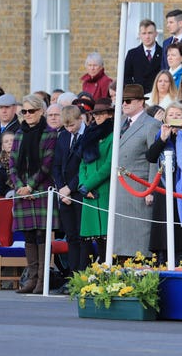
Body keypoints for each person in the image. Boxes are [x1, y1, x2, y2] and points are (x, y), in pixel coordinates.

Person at [10, 94, 58, 294]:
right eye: (24, 111)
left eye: (31, 111)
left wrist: (30, 187)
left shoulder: (50, 134)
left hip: (41, 190)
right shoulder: (19, 134)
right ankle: (31, 278)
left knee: (41, 235)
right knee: (28, 236)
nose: (27, 115)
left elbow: (47, 165)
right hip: (22, 192)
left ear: (41, 111)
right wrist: (20, 187)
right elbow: (12, 164)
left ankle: (42, 280)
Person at [114, 84, 162, 259]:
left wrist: (151, 188)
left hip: (139, 187)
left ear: (141, 102)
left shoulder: (151, 125)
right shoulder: (119, 123)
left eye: (128, 101)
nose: (124, 104)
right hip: (121, 187)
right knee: (120, 238)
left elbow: (154, 158)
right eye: (122, 101)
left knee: (138, 237)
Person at [146, 102, 182, 265]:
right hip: (164, 185)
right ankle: (163, 257)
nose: (174, 118)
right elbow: (151, 157)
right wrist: (162, 138)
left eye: (178, 115)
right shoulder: (161, 134)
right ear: (165, 118)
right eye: (171, 115)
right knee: (164, 224)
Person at [53, 105, 93, 278]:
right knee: (71, 236)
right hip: (64, 193)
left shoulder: (89, 136)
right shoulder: (63, 136)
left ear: (80, 119)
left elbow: (85, 167)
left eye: (72, 126)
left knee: (83, 236)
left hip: (80, 191)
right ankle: (71, 275)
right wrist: (62, 190)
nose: (69, 129)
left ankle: (82, 274)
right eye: (66, 126)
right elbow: (56, 165)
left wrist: (70, 188)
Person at [78, 99, 114, 263]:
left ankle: (106, 272)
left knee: (106, 235)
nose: (97, 117)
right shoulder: (90, 133)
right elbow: (82, 163)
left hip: (103, 189)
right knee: (93, 236)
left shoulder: (113, 135)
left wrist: (88, 184)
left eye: (101, 113)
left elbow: (108, 166)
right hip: (89, 192)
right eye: (95, 114)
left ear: (109, 115)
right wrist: (82, 185)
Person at [124, 19, 163, 93]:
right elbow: (126, 77)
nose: (147, 37)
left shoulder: (163, 53)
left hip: (158, 95)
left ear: (156, 34)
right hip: (139, 96)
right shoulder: (132, 54)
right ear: (139, 35)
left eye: (150, 33)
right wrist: (135, 92)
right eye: (144, 33)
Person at [0, 131, 15, 198]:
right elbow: (1, 189)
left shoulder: (26, 160)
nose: (10, 143)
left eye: (12, 140)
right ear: (2, 147)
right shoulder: (0, 167)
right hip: (10, 197)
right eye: (6, 142)